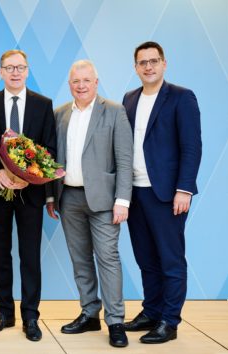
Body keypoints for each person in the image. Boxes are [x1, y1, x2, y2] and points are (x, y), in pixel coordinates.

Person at [47, 60, 133, 348]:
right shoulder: (59, 114)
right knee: (80, 258)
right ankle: (89, 312)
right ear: (70, 84)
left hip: (105, 201)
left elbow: (124, 159)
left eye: (86, 80)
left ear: (96, 82)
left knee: (107, 258)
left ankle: (116, 321)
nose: (81, 86)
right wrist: (50, 196)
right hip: (68, 197)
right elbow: (51, 160)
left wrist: (123, 199)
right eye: (75, 81)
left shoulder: (114, 111)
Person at [122, 41, 202, 344]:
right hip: (135, 192)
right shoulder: (129, 99)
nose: (148, 67)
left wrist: (184, 189)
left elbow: (192, 147)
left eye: (154, 61)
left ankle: (170, 320)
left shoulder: (181, 98)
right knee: (145, 258)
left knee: (170, 258)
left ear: (164, 64)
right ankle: (151, 311)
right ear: (135, 67)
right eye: (142, 62)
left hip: (168, 194)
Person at [0, 49, 56, 341]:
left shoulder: (42, 104)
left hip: (31, 193)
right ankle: (4, 313)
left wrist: (31, 177)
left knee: (29, 255)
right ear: (0, 72)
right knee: (0, 253)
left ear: (27, 70)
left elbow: (49, 148)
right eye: (9, 67)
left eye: (20, 67)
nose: (15, 72)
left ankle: (30, 316)